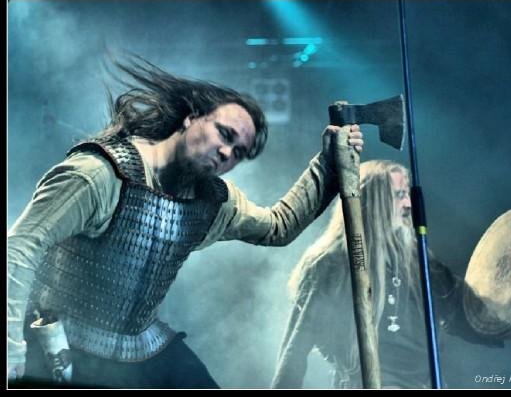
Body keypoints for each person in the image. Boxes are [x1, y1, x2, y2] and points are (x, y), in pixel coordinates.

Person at [7, 55, 364, 389]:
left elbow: (277, 226)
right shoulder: (100, 174)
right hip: (61, 343)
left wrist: (328, 163)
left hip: (139, 347)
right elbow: (20, 247)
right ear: (192, 118)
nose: (226, 153)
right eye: (225, 135)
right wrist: (11, 347)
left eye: (238, 153)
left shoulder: (211, 201)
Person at [271, 160, 501, 389]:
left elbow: (464, 314)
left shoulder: (420, 261)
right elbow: (295, 350)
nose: (409, 204)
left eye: (407, 194)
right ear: (373, 200)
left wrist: (507, 307)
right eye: (399, 195)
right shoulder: (332, 264)